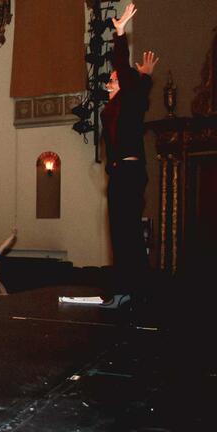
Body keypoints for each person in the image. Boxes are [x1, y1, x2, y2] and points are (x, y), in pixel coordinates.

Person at [101, 3, 158, 308]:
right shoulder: (113, 109)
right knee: (122, 235)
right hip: (119, 174)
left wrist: (120, 33)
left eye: (113, 78)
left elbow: (124, 71)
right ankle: (130, 290)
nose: (109, 81)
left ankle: (131, 291)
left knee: (127, 235)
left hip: (129, 173)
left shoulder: (127, 101)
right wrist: (144, 79)